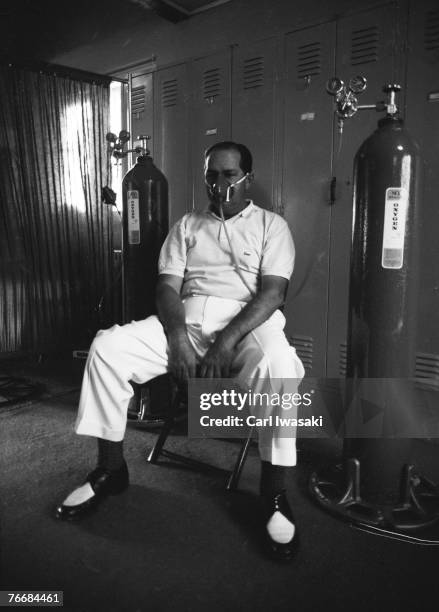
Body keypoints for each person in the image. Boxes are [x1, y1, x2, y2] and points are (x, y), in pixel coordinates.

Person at [55, 141, 305, 562]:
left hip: (247, 326)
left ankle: (274, 493)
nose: (219, 183)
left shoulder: (271, 226)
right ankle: (111, 468)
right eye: (212, 175)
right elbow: (167, 288)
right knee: (107, 347)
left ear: (248, 178)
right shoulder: (187, 225)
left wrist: (225, 342)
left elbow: (273, 294)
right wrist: (177, 339)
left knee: (281, 367)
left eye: (229, 174)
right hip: (186, 322)